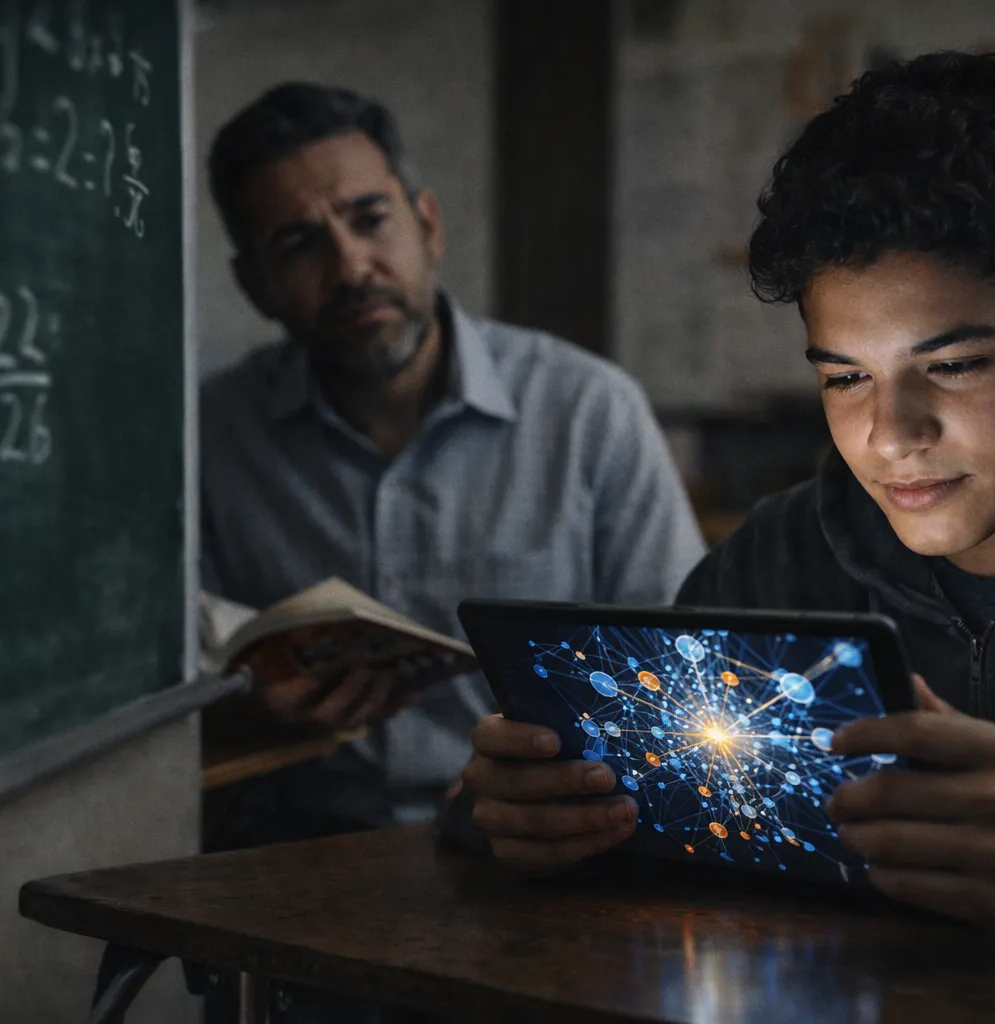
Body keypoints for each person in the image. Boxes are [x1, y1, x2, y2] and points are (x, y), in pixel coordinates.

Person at [456, 52, 995, 977]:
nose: (891, 434)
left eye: (956, 365)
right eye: (845, 376)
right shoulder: (777, 561)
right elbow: (609, 801)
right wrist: (512, 810)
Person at [200, 81, 706, 849]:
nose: (351, 267)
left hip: (542, 845)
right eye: (298, 246)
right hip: (290, 849)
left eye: (371, 220)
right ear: (254, 287)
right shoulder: (214, 431)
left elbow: (678, 674)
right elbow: (165, 682)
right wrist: (246, 712)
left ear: (427, 224)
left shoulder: (589, 410)